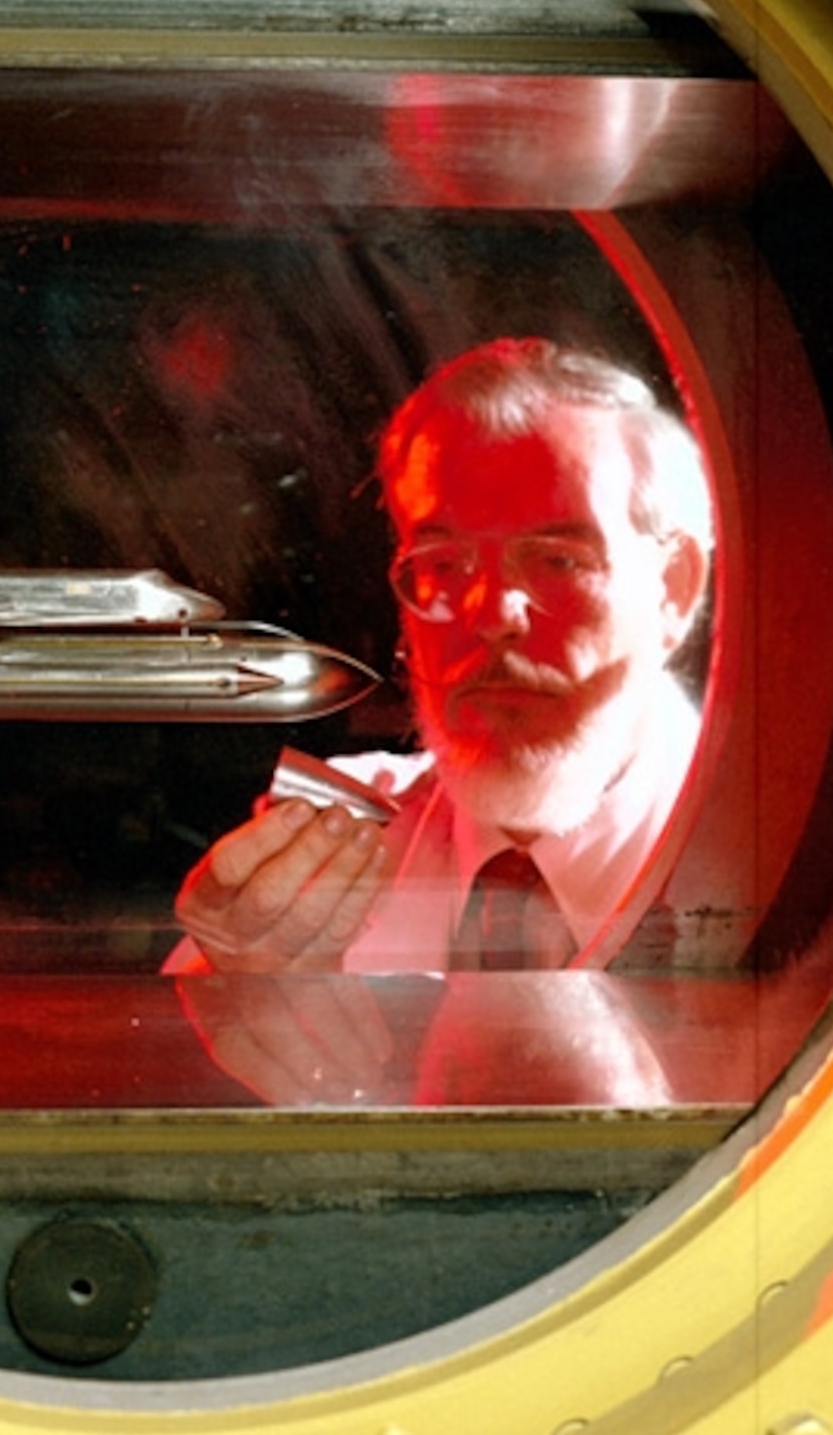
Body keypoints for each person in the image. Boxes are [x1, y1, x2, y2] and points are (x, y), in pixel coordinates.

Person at [171, 339, 712, 1107]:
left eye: (557, 559)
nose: (490, 617)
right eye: (445, 565)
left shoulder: (765, 853)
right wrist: (225, 985)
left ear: (674, 587)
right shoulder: (336, 838)